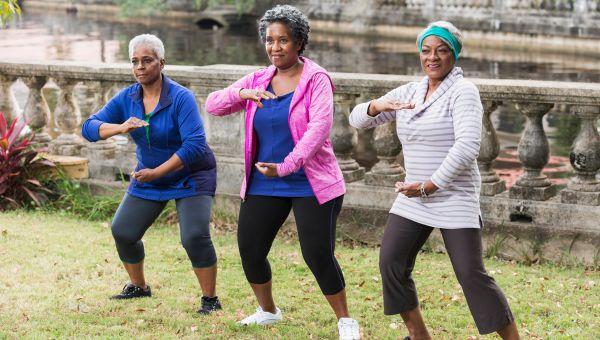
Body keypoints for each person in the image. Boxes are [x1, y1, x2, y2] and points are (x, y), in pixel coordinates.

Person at [349, 21, 520, 339]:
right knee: (391, 263)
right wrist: (376, 106)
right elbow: (355, 118)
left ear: (454, 54)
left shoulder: (463, 91)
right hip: (413, 196)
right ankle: (418, 336)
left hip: (452, 195)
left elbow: (468, 146)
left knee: (470, 274)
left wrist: (429, 185)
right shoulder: (410, 92)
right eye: (426, 50)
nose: (433, 57)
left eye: (442, 50)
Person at [205, 5, 360, 339]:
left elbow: (318, 130)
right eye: (270, 40)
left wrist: (287, 166)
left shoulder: (317, 79)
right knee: (250, 248)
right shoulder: (259, 79)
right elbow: (213, 104)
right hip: (264, 180)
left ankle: (346, 320)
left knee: (317, 254)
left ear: (300, 42)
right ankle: (268, 311)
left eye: (283, 40)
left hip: (311, 181)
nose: (275, 47)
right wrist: (241, 93)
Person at [81, 34, 222, 315]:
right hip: (149, 176)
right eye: (135, 61)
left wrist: (157, 172)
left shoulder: (181, 97)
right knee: (123, 231)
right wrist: (119, 127)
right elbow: (88, 127)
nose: (140, 67)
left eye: (147, 60)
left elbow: (194, 145)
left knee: (193, 236)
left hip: (191, 175)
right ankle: (139, 287)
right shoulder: (128, 98)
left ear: (161, 63)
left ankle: (210, 299)